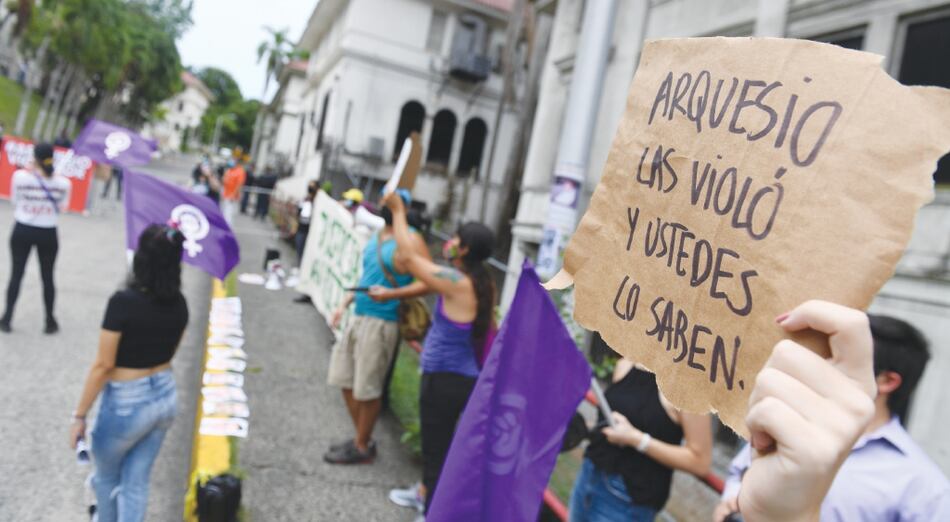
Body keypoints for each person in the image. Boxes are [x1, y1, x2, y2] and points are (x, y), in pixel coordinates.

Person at [714, 313, 950, 522]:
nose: (818, 368)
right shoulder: (788, 424)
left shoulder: (923, 487)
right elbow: (739, 473)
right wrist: (734, 502)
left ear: (887, 381)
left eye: (834, 360)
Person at [381, 190, 496, 515]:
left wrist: (399, 212)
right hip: (461, 378)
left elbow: (407, 256)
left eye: (455, 237)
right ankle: (424, 494)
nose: (450, 241)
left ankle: (432, 511)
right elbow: (425, 276)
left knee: (437, 450)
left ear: (465, 248)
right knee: (445, 446)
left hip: (444, 381)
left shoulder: (457, 282)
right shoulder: (482, 282)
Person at [69, 224, 188, 521]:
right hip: (165, 395)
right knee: (136, 482)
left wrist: (79, 416)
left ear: (141, 259)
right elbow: (171, 352)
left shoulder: (123, 302)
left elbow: (104, 365)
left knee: (106, 479)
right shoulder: (181, 304)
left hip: (127, 400)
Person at [323, 189, 431, 465]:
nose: (385, 204)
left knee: (367, 388)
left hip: (383, 321)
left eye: (392, 202)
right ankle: (363, 437)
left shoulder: (412, 240)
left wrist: (391, 295)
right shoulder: (376, 235)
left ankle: (361, 445)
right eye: (384, 200)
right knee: (343, 378)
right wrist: (344, 304)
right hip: (358, 315)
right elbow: (366, 275)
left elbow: (428, 281)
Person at [568, 359, 712, 521]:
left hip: (627, 498)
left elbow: (700, 462)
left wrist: (637, 439)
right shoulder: (627, 363)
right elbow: (616, 421)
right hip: (589, 473)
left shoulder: (689, 385)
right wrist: (581, 428)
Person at [1, 142, 70, 334]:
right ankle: (49, 320)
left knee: (16, 274)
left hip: (22, 229)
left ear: (34, 157)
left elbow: (15, 201)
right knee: (47, 277)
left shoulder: (20, 177)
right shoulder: (64, 183)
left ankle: (7, 318)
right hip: (48, 232)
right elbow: (64, 206)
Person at [220, 157, 246, 224]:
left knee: (228, 213)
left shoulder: (240, 171)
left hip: (232, 195)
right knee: (224, 211)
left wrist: (234, 195)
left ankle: (228, 227)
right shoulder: (229, 170)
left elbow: (239, 185)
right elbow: (224, 181)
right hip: (225, 193)